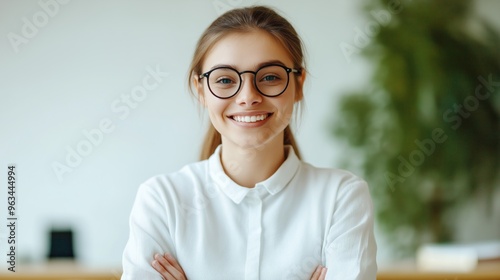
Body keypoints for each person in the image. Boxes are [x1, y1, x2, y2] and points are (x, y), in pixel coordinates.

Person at [121, 5, 377, 280]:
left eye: (269, 77)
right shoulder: (162, 200)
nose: (247, 96)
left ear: (298, 84)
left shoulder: (341, 197)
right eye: (224, 80)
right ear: (201, 90)